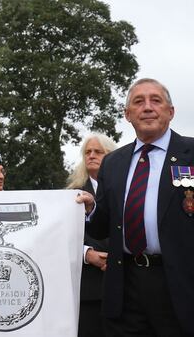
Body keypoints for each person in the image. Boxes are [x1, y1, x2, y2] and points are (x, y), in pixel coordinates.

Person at [77, 78, 194, 336]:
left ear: (171, 112)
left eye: (156, 100)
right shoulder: (114, 162)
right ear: (127, 114)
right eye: (139, 102)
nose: (148, 107)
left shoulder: (191, 153)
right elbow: (101, 225)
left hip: (180, 285)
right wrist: (90, 209)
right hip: (125, 286)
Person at [67, 133, 117, 337]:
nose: (92, 156)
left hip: (124, 283)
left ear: (112, 156)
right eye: (87, 152)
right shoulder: (72, 195)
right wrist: (87, 254)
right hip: (89, 287)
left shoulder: (125, 189)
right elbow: (63, 237)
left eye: (98, 151)